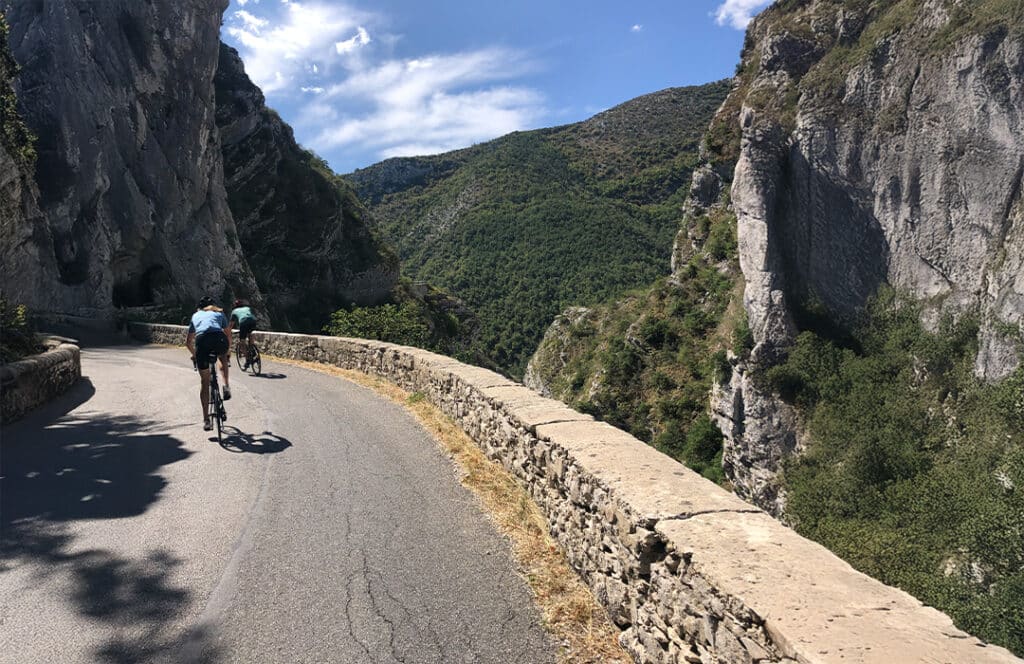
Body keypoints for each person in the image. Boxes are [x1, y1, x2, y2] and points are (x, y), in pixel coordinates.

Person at [186, 296, 232, 430]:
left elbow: (188, 342)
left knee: (205, 382)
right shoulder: (218, 312)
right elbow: (228, 334)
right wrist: (228, 351)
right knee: (222, 357)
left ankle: (206, 420)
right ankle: (226, 386)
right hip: (219, 339)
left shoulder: (195, 316)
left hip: (202, 342)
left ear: (199, 308)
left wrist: (195, 355)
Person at [228, 298, 258, 368]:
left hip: (243, 322)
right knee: (250, 334)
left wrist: (229, 331)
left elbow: (231, 325)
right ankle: (252, 349)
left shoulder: (234, 311)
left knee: (242, 342)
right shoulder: (247, 308)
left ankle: (247, 360)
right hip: (253, 321)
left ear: (235, 306)